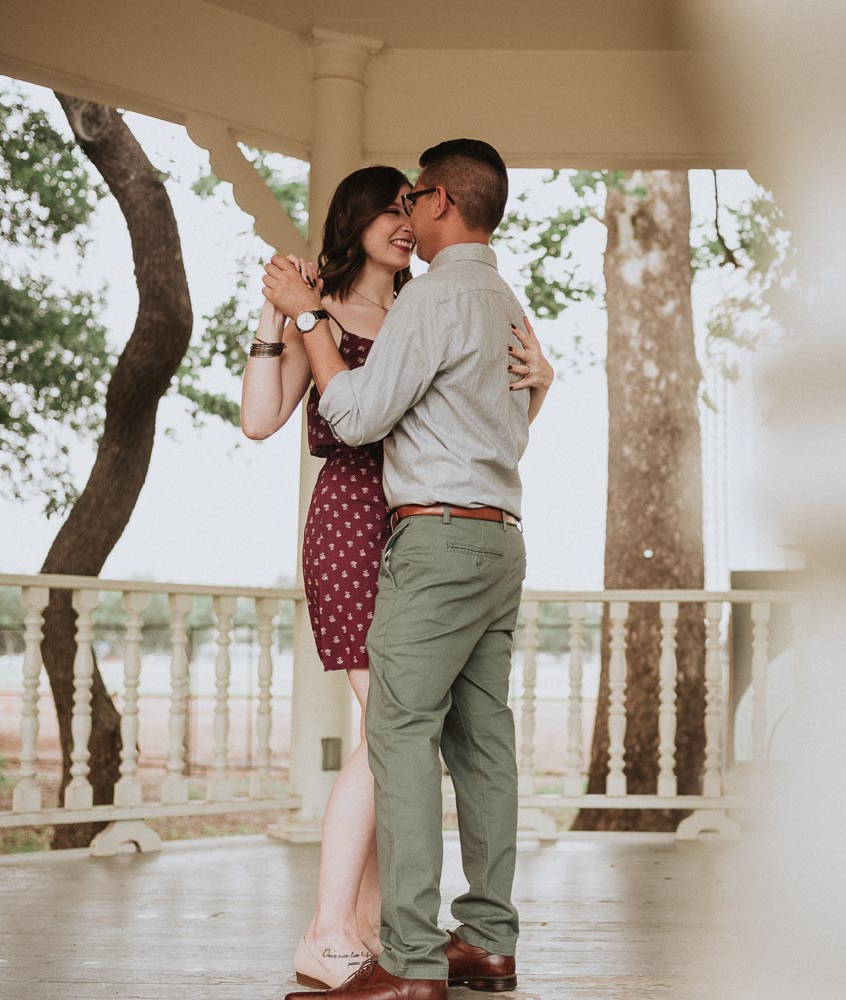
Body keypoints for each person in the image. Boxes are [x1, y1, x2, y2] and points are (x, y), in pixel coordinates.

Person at [240, 160, 553, 994]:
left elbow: (475, 414)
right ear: (357, 220)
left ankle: (372, 931)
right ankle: (333, 930)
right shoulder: (333, 307)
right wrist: (280, 320)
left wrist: (540, 383)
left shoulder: (425, 305)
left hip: (421, 525)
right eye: (388, 208)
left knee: (397, 741)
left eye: (408, 203)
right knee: (395, 735)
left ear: (439, 203)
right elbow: (261, 419)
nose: (404, 220)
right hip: (356, 523)